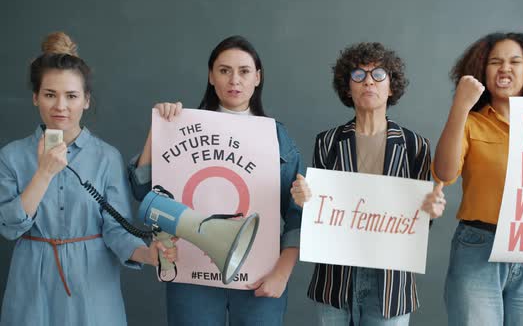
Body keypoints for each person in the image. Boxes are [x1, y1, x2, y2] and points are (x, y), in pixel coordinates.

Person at [0, 32, 176, 326]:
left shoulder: (106, 157)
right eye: (49, 94)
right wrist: (43, 172)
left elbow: (116, 230)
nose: (60, 106)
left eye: (71, 96)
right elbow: (9, 227)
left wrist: (149, 254)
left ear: (86, 101)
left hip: (92, 285)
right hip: (31, 283)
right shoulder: (11, 156)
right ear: (35, 98)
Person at [128, 35, 303, 325]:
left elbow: (297, 214)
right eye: (224, 70)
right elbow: (142, 191)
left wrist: (281, 273)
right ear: (211, 76)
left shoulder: (276, 137)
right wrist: (157, 130)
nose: (235, 80)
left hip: (258, 274)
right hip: (191, 272)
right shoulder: (179, 125)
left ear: (257, 78)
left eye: (244, 71)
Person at [290, 42, 445, 326]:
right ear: (347, 88)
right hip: (336, 278)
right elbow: (320, 215)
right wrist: (304, 200)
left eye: (378, 74)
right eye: (358, 75)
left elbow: (418, 223)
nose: (368, 81)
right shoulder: (328, 142)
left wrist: (430, 211)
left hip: (390, 280)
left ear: (392, 87)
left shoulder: (415, 145)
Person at [432, 32, 523, 326]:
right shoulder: (471, 121)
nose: (505, 68)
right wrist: (460, 107)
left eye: (515, 61)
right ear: (481, 71)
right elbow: (445, 173)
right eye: (495, 62)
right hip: (478, 247)